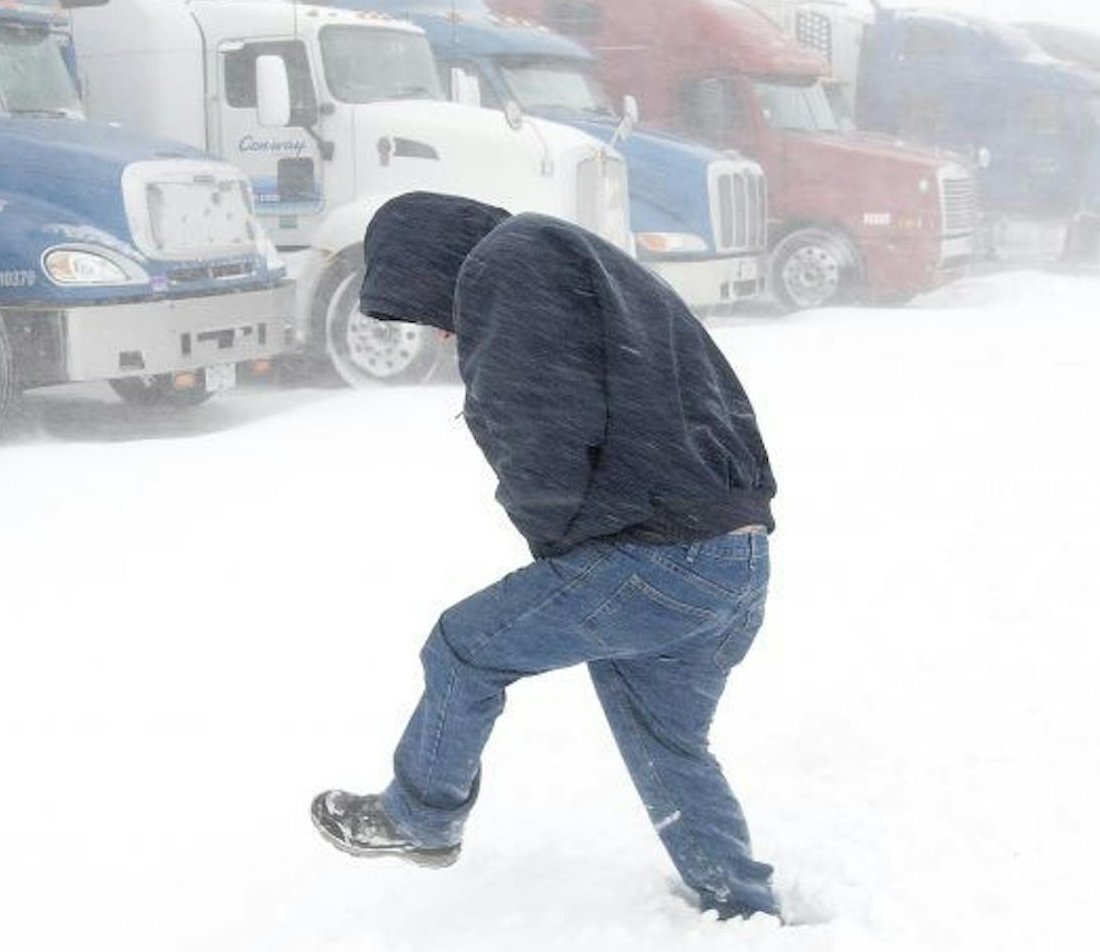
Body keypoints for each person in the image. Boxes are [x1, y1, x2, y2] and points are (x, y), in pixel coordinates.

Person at [309, 191, 781, 921]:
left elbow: (540, 420)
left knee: (464, 649)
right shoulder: (574, 259)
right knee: (666, 748)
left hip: (660, 559)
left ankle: (421, 819)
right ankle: (743, 908)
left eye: (427, 312)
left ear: (434, 263)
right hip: (735, 555)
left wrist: (554, 537)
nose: (440, 334)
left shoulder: (508, 263)